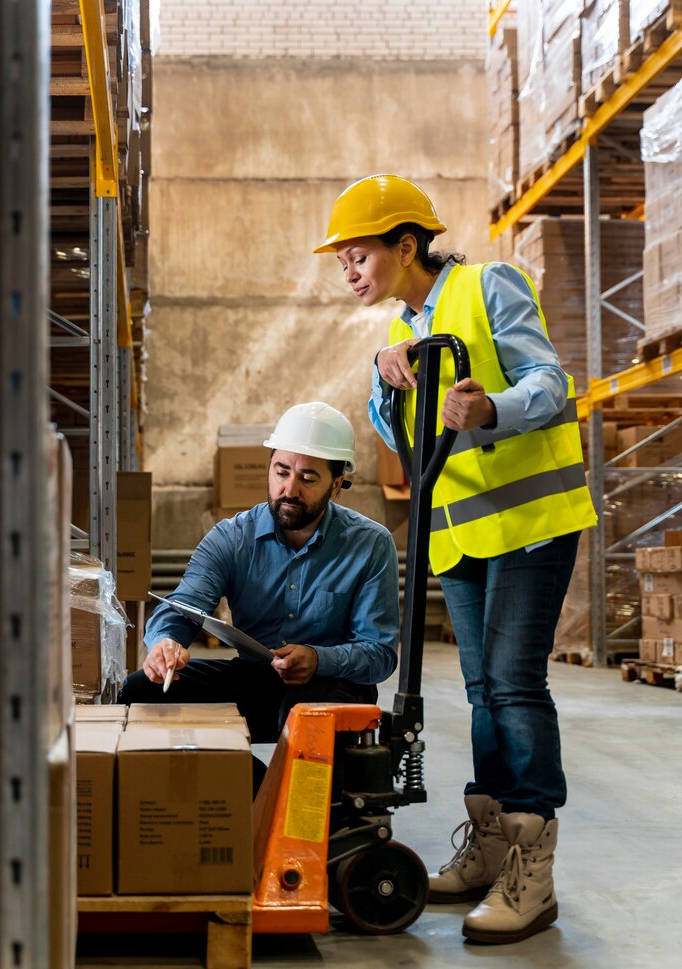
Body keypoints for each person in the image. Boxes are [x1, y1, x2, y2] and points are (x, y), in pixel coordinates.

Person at [314, 174, 597, 945]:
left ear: (406, 246)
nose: (347, 270)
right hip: (463, 535)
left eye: (357, 254)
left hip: (531, 524)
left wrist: (490, 408)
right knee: (480, 689)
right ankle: (490, 845)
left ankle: (531, 868)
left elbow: (551, 382)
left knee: (513, 682)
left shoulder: (487, 286)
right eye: (340, 260)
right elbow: (399, 430)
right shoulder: (407, 332)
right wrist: (382, 372)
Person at [119, 401, 400, 771]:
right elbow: (184, 605)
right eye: (281, 471)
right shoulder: (232, 538)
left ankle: (301, 811)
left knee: (308, 709)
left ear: (337, 486)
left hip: (331, 686)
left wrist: (319, 659)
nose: (289, 489)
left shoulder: (370, 544)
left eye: (308, 479)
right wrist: (164, 644)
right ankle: (250, 793)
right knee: (140, 691)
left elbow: (379, 654)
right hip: (256, 679)